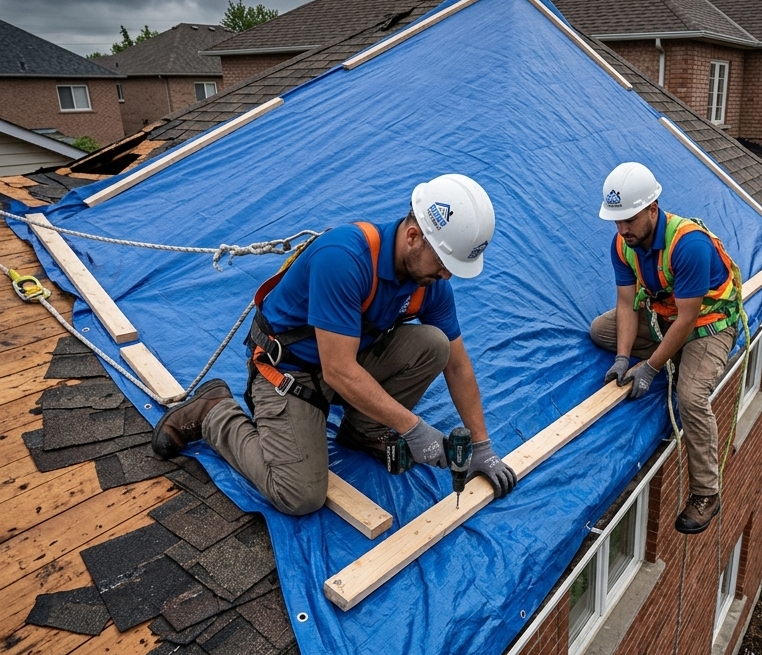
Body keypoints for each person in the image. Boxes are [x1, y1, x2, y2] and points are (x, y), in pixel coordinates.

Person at [151, 174, 517, 515]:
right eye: (443, 261)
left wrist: (482, 446)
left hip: (345, 360)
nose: (447, 274)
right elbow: (339, 371)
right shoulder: (345, 258)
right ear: (413, 237)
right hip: (290, 370)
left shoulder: (431, 284)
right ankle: (214, 413)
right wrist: (414, 428)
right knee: (300, 495)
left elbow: (457, 365)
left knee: (435, 345)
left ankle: (363, 430)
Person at [589, 162, 741, 534]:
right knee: (601, 331)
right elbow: (626, 304)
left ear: (652, 209)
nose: (621, 229)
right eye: (616, 221)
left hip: (707, 326)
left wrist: (652, 367)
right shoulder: (623, 244)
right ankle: (667, 355)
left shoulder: (688, 244)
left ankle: (707, 493)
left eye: (628, 219)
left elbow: (689, 318)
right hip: (664, 318)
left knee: (690, 396)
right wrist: (624, 357)